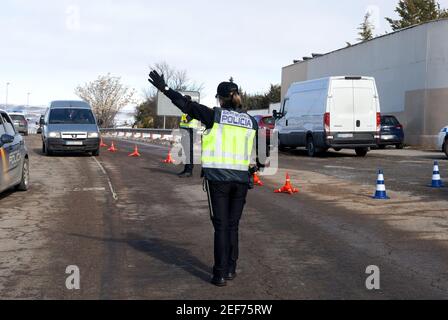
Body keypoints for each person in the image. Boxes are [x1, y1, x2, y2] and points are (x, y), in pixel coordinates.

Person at [148, 71, 263, 287]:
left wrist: (164, 88)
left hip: (218, 179)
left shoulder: (214, 115)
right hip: (241, 180)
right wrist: (257, 167)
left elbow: (185, 105)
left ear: (219, 98)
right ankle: (230, 269)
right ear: (237, 96)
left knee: (220, 226)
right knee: (233, 225)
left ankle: (219, 274)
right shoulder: (250, 121)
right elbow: (260, 151)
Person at [178, 113, 199, 178]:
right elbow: (183, 123)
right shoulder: (186, 112)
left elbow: (186, 120)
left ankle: (188, 171)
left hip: (190, 132)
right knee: (187, 153)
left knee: (189, 153)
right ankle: (186, 169)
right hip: (186, 132)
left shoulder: (191, 111)